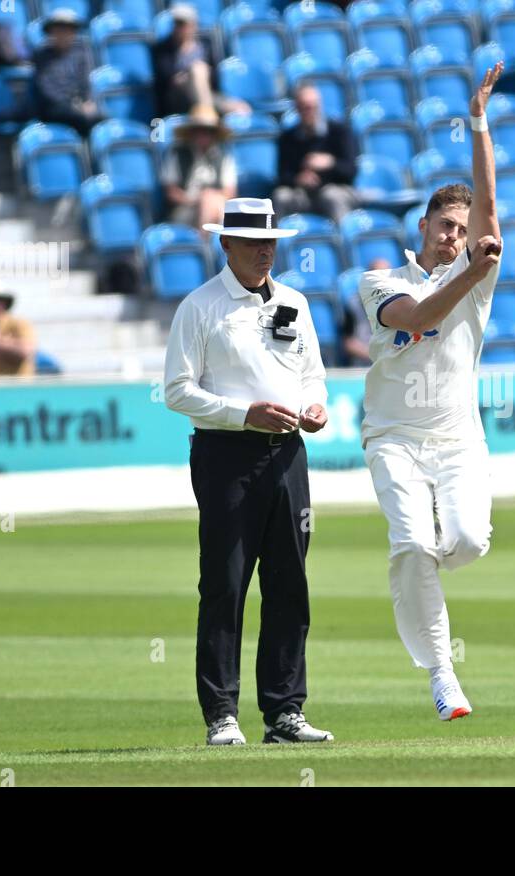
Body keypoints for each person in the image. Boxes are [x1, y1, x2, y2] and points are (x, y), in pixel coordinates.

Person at [356, 64, 505, 721]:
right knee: (413, 545)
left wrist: (478, 122)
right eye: (444, 224)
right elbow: (417, 320)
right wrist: (468, 274)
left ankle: (422, 579)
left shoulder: (481, 275)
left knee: (469, 542)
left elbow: (492, 211)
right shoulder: (380, 282)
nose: (453, 235)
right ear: (422, 226)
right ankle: (442, 674)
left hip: (457, 441)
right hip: (394, 440)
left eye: (462, 228)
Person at [163, 197, 334, 746]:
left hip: (287, 454)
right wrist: (244, 414)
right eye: (253, 242)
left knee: (290, 584)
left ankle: (285, 711)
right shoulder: (200, 306)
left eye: (271, 242)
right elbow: (177, 391)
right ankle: (221, 715)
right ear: (225, 245)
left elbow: (312, 376)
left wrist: (316, 408)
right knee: (225, 584)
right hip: (226, 458)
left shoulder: (294, 301)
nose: (265, 251)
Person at [272, 85, 358, 223]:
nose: (309, 112)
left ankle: (344, 241)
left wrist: (330, 163)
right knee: (281, 196)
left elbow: (350, 171)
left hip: (335, 188)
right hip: (302, 193)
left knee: (331, 196)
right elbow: (282, 175)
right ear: (297, 109)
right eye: (304, 107)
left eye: (313, 107)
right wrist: (298, 179)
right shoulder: (287, 138)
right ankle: (276, 242)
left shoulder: (340, 132)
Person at [152, 4, 248, 118]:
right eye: (176, 23)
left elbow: (215, 79)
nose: (178, 28)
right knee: (198, 69)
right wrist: (193, 75)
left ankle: (206, 115)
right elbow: (169, 79)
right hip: (177, 99)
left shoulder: (206, 46)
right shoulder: (162, 49)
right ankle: (209, 119)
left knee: (242, 109)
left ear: (193, 25)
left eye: (182, 24)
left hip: (206, 93)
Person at [160, 104, 237, 231]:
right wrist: (194, 200)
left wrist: (208, 197)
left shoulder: (223, 157)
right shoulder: (177, 154)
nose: (203, 135)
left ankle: (206, 241)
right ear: (192, 132)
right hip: (185, 208)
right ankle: (211, 243)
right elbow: (171, 191)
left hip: (217, 206)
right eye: (199, 130)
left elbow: (230, 193)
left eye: (208, 131)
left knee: (212, 202)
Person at [32, 8, 103, 136]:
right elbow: (47, 89)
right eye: (59, 30)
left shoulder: (81, 51)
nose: (63, 34)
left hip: (78, 105)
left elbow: (85, 80)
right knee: (81, 119)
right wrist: (73, 105)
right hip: (53, 108)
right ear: (51, 33)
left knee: (102, 119)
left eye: (68, 30)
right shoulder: (41, 55)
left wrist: (87, 101)